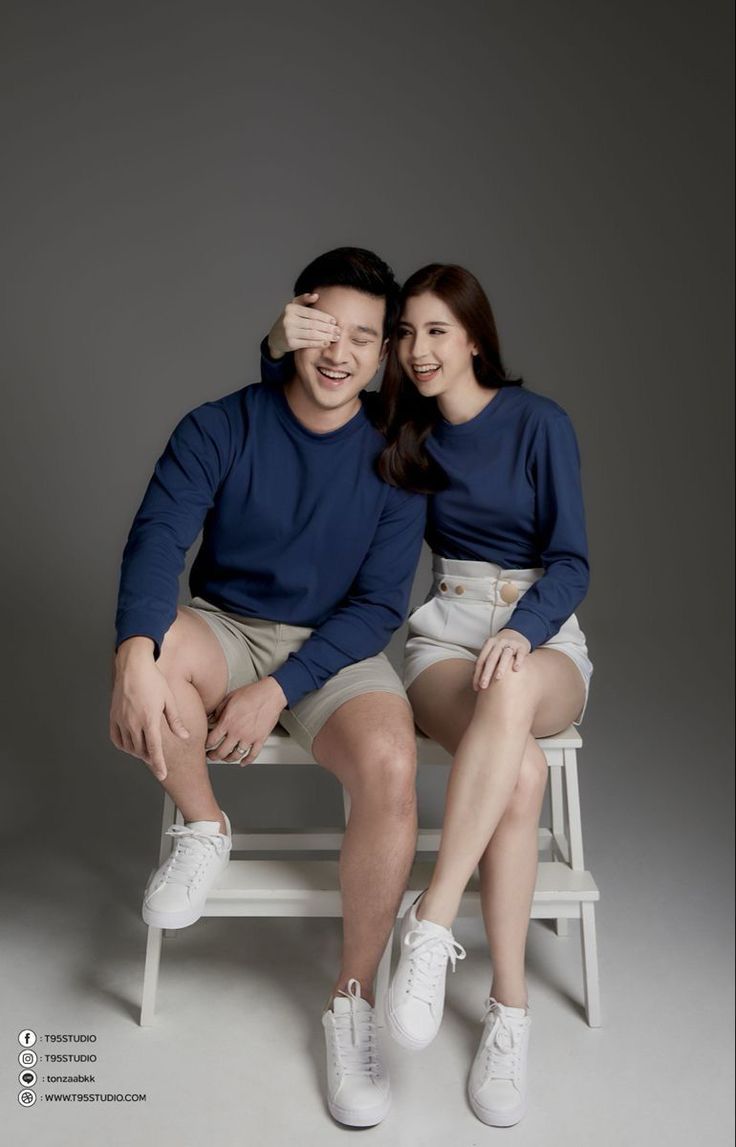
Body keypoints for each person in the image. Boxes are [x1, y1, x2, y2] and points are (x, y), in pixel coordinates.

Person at [262, 262, 592, 1128]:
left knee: (515, 684)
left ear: (476, 337)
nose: (414, 349)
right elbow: (298, 404)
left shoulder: (539, 424)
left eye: (435, 331)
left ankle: (433, 918)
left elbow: (573, 559)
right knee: (518, 775)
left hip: (541, 632)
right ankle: (509, 1011)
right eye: (404, 333)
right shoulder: (397, 430)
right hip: (446, 630)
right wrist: (274, 342)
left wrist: (525, 628)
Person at [110, 247, 427, 1129]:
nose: (339, 352)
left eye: (363, 338)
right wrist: (132, 653)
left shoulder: (396, 455)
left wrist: (279, 688)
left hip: (336, 648)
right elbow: (154, 543)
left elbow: (375, 608)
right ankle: (205, 826)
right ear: (293, 322)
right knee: (157, 650)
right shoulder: (219, 425)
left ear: (383, 355)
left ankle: (352, 1000)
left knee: (393, 767)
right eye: (324, 327)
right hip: (231, 622)